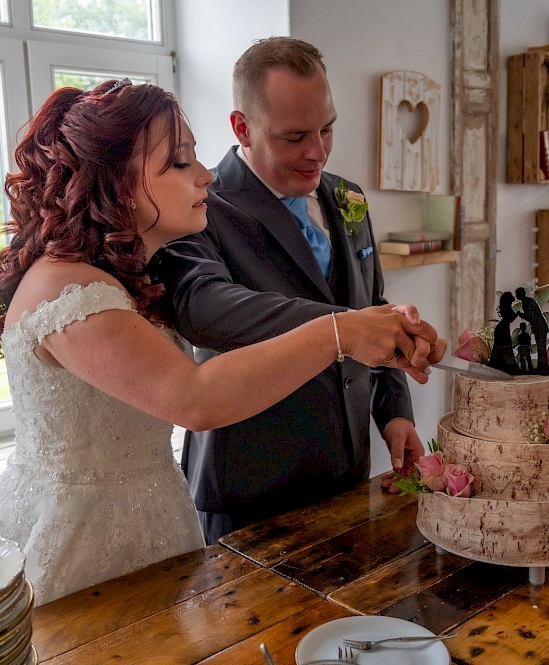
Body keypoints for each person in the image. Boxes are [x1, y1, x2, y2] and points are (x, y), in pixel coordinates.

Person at [0, 79, 444, 605]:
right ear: (116, 181)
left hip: (152, 523)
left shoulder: (121, 277)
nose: (206, 175)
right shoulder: (68, 287)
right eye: (179, 162)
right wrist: (341, 331)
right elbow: (193, 398)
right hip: (80, 545)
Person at [155, 37, 447, 544]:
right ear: (242, 128)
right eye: (294, 138)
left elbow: (371, 305)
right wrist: (344, 330)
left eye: (327, 128)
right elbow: (203, 307)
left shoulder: (346, 195)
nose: (318, 152)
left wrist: (393, 411)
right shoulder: (201, 205)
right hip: (250, 492)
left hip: (347, 472)